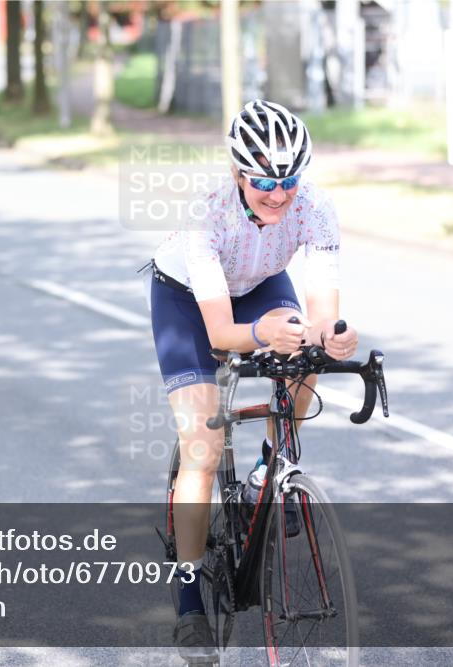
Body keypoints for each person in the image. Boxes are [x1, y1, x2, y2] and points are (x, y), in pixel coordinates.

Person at [147, 99, 359, 660]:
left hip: (261, 282)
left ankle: (272, 466)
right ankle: (190, 598)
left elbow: (321, 310)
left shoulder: (315, 207)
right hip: (189, 301)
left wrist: (331, 336)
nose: (278, 193)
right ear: (238, 172)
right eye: (264, 179)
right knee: (204, 447)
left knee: (309, 346)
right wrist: (262, 332)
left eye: (289, 179)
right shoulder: (208, 213)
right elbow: (221, 333)